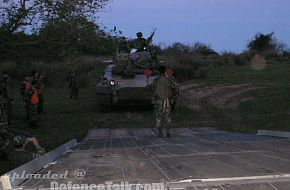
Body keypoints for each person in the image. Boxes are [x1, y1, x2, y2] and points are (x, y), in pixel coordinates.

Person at [147, 66, 176, 138]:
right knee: (167, 117)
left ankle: (160, 133)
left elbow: (150, 88)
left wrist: (147, 85)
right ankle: (168, 133)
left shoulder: (156, 80)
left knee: (159, 117)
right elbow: (174, 88)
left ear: (159, 72)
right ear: (165, 71)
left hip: (158, 101)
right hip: (167, 101)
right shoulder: (169, 80)